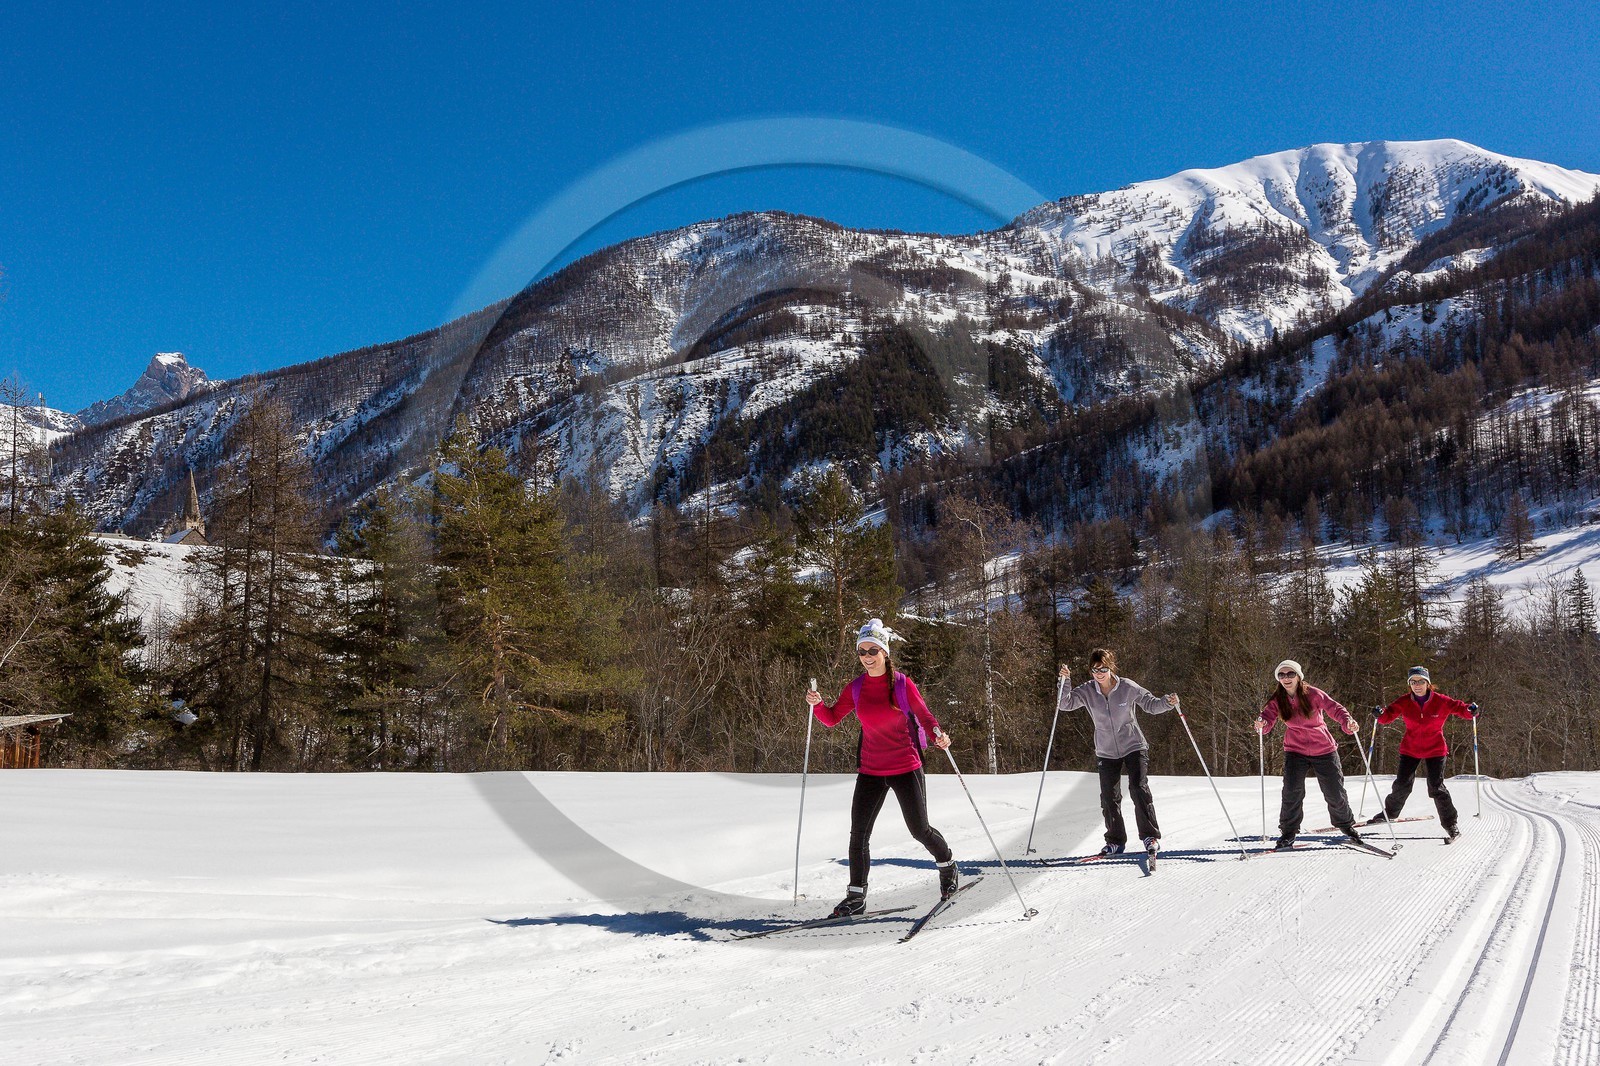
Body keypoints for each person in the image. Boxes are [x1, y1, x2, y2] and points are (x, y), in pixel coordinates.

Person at [807, 618, 958, 917]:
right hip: (871, 770)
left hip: (905, 766)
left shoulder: (902, 684)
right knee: (858, 835)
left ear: (885, 652)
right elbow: (832, 717)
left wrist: (938, 733)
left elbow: (925, 717)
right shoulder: (857, 687)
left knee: (920, 830)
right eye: (862, 650)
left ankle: (947, 865)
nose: (867, 656)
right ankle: (856, 896)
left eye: (873, 650)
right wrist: (818, 704)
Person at [1056, 649, 1179, 859]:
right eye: (1095, 670)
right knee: (1109, 798)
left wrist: (1167, 703)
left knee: (1138, 788)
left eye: (1103, 668)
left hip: (1133, 745)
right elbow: (1064, 703)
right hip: (1106, 751)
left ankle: (1150, 837)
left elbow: (1150, 704)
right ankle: (1115, 841)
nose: (1099, 673)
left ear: (1111, 667)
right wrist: (1065, 682)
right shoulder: (1087, 691)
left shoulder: (1127, 687)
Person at [1255, 660, 1364, 850]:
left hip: (1323, 748)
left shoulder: (1313, 694)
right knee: (1291, 792)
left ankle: (1347, 826)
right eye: (1282, 675)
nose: (1286, 678)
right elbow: (1267, 718)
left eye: (1290, 674)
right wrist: (1262, 725)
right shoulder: (1277, 699)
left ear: (1298, 676)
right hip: (1295, 750)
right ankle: (1288, 832)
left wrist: (1348, 722)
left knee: (1334, 792)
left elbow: (1335, 709)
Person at [1369, 666, 1478, 839]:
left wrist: (1470, 710)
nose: (1417, 685)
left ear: (1428, 683)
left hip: (1435, 749)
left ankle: (1451, 824)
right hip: (1410, 749)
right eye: (1413, 682)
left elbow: (1460, 708)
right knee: (1402, 785)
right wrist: (1380, 714)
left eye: (1421, 681)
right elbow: (1387, 716)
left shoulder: (1441, 701)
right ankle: (1389, 814)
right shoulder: (1404, 701)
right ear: (1409, 685)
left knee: (1436, 787)